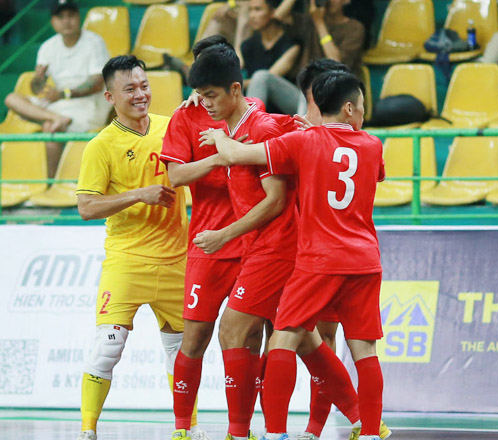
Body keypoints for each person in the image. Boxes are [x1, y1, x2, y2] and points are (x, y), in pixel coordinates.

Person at [200, 70, 386, 440]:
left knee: (284, 337)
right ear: (349, 109)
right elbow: (369, 174)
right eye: (362, 108)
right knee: (364, 348)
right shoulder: (373, 145)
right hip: (365, 261)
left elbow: (237, 153)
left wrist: (220, 135)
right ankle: (368, 431)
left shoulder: (305, 141)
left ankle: (275, 433)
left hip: (319, 259)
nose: (363, 114)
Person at [186, 45, 301, 440]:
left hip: (277, 244)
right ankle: (364, 422)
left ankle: (241, 433)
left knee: (233, 330)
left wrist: (224, 234)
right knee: (307, 342)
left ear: (235, 89)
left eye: (212, 96)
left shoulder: (260, 128)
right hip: (260, 246)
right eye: (201, 98)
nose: (206, 106)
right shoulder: (233, 123)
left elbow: (276, 200)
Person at [74, 55, 189, 440]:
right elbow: (87, 206)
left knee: (182, 354)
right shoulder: (100, 147)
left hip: (178, 259)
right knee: (108, 348)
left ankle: (183, 430)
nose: (141, 95)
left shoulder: (171, 127)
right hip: (127, 261)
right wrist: (139, 195)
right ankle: (88, 430)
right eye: (130, 89)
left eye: (144, 86)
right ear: (110, 96)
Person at [161, 36, 268, 440]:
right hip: (207, 243)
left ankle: (240, 429)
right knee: (195, 336)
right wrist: (221, 155)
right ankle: (181, 428)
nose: (204, 96)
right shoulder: (185, 118)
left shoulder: (253, 112)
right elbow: (175, 176)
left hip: (250, 244)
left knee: (248, 338)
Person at [291, 59, 390, 440]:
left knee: (317, 338)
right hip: (316, 250)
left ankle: (318, 427)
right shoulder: (299, 129)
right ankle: (346, 423)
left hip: (321, 253)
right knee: (318, 340)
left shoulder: (310, 135)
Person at [3, 0, 112, 177]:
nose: (66, 21)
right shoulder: (48, 46)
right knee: (11, 99)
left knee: (49, 127)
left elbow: (97, 83)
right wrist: (38, 78)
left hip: (90, 105)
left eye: (71, 15)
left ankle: (52, 182)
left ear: (79, 17)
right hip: (61, 106)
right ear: (53, 22)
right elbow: (36, 89)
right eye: (60, 17)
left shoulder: (94, 42)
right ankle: (57, 118)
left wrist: (63, 94)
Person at [275, 0, 367, 81]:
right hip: (305, 88)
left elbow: (337, 64)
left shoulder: (354, 28)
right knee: (264, 77)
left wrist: (319, 23)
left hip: (337, 90)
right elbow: (279, 16)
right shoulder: (309, 21)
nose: (330, 1)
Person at [242, 0, 305, 115]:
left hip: (289, 103)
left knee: (261, 76)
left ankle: (248, 126)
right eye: (250, 10)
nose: (252, 15)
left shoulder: (291, 43)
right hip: (260, 102)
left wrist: (233, 83)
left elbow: (268, 78)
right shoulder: (248, 45)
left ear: (272, 12)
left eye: (258, 9)